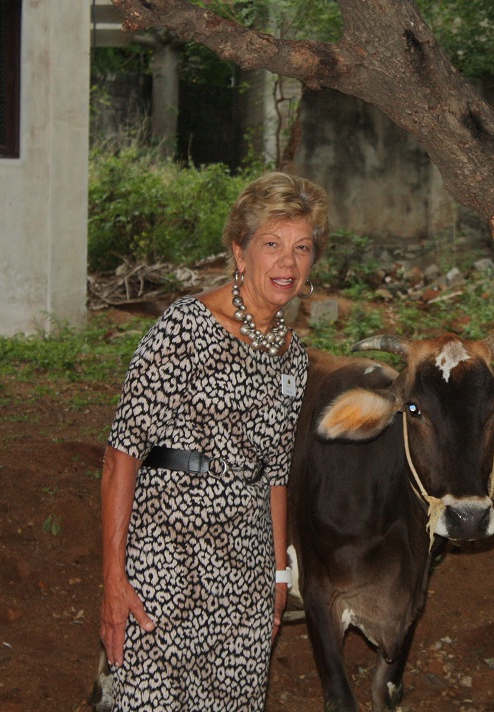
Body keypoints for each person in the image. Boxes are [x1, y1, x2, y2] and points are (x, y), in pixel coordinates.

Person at [99, 172, 328, 710]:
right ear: (239, 252)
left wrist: (277, 570)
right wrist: (114, 578)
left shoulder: (291, 355)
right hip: (166, 562)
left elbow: (275, 472)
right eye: (271, 245)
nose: (287, 264)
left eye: (302, 248)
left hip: (246, 574)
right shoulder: (184, 328)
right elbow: (121, 454)